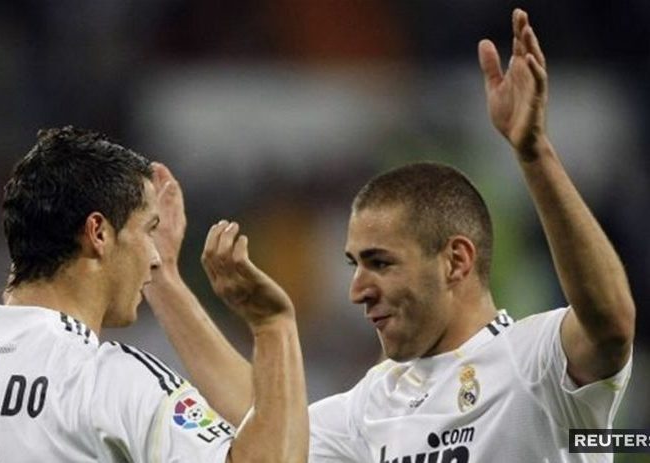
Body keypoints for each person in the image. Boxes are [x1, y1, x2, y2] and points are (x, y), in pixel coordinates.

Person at [145, 9, 634, 462]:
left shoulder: (533, 360)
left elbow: (610, 323)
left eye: (380, 263)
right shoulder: (373, 404)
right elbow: (268, 422)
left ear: (456, 261)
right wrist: (161, 276)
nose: (357, 290)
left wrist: (533, 152)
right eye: (354, 264)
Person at [0, 127, 308, 462]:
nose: (155, 256)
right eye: (148, 230)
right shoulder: (109, 381)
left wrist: (167, 283)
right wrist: (272, 325)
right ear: (98, 232)